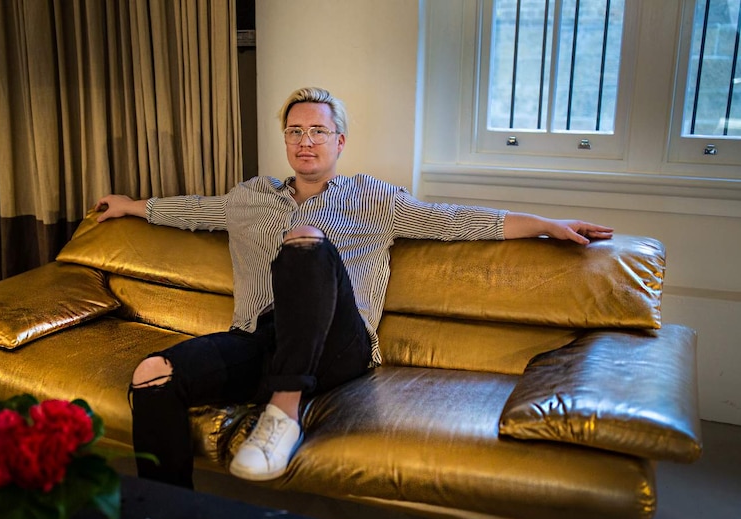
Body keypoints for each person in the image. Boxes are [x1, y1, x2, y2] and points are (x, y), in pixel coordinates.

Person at [94, 86, 613, 489]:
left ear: (339, 141)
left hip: (338, 347)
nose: (305, 141)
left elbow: (452, 220)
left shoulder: (372, 197)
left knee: (305, 242)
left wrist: (543, 222)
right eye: (295, 132)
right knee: (152, 374)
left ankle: (284, 413)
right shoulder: (248, 198)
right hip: (258, 340)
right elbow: (193, 210)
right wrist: (132, 206)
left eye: (318, 131)